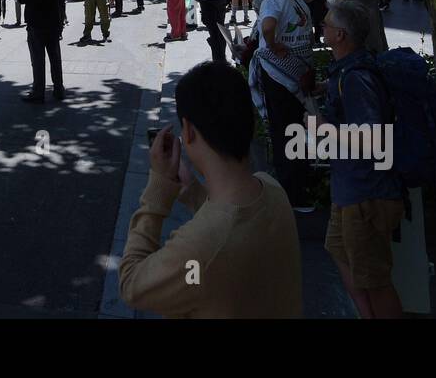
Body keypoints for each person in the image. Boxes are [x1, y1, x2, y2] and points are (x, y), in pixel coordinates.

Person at [118, 60, 302, 318]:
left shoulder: (198, 250)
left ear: (189, 131)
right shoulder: (272, 190)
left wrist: (157, 191)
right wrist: (192, 191)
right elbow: (234, 222)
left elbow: (131, 284)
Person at [318, 0, 405, 318]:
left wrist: (323, 129)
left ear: (340, 35)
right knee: (341, 254)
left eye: (327, 24)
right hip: (349, 191)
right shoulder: (345, 72)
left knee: (375, 280)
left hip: (366, 195)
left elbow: (370, 138)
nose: (322, 27)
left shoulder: (357, 78)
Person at [250, 0, 317, 212]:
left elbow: (268, 28)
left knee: (282, 132)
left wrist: (274, 45)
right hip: (300, 72)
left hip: (278, 75)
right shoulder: (298, 0)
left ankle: (290, 195)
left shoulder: (273, 0)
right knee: (297, 129)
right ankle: (300, 186)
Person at [16, 0, 69, 103]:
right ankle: (59, 89)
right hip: (53, 22)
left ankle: (38, 91)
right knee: (55, 57)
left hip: (36, 23)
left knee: (38, 59)